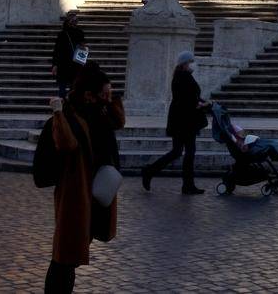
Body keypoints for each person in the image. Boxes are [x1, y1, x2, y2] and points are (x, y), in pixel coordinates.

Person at [34, 62, 124, 294]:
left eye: (109, 94)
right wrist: (57, 112)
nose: (107, 98)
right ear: (88, 95)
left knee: (75, 250)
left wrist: (112, 98)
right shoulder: (70, 115)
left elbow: (119, 122)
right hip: (76, 191)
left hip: (96, 191)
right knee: (65, 254)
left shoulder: (100, 111)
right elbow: (67, 143)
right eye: (103, 94)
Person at [140, 51, 208, 193]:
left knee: (179, 151)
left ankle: (151, 171)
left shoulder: (183, 76)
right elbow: (185, 99)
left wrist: (202, 102)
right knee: (187, 152)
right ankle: (187, 185)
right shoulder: (182, 77)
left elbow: (192, 96)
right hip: (184, 120)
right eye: (190, 62)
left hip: (182, 120)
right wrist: (198, 104)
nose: (192, 64)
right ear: (184, 64)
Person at [51, 10, 87, 99]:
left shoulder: (67, 33)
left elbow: (57, 50)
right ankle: (67, 105)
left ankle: (66, 106)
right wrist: (55, 65)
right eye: (73, 21)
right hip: (70, 63)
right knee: (67, 88)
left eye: (75, 21)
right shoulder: (65, 34)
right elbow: (57, 50)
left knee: (67, 88)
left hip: (69, 64)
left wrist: (55, 64)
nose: (74, 23)